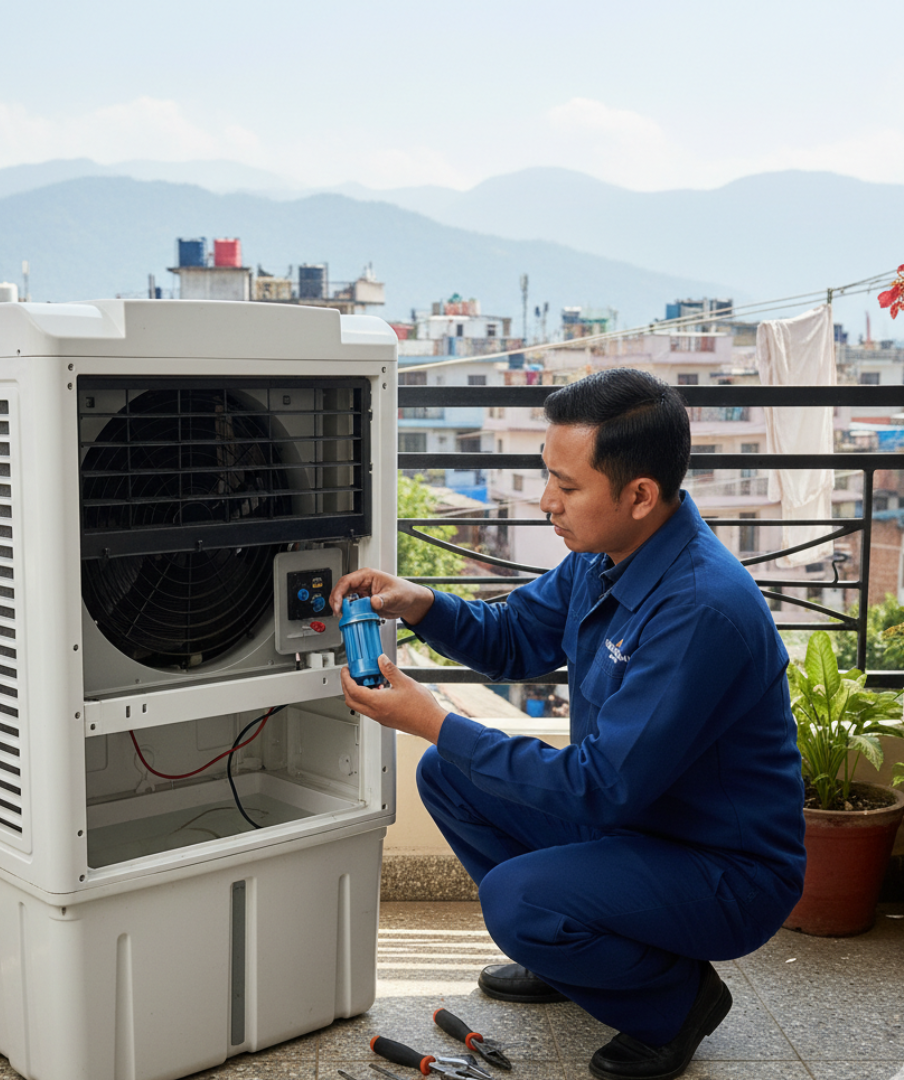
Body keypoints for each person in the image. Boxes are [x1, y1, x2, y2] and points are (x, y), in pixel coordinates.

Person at [332, 368, 806, 1080]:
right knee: (450, 776)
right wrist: (421, 603)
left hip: (723, 870)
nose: (548, 502)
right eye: (547, 476)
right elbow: (515, 636)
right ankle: (588, 957)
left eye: (568, 485)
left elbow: (601, 787)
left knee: (516, 897)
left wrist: (434, 720)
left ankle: (676, 1003)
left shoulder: (700, 609)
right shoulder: (610, 553)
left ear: (640, 495)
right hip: (641, 825)